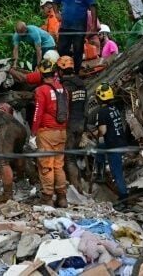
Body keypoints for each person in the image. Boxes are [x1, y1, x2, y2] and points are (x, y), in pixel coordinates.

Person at [30, 59, 68, 207]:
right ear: (55, 73)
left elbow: (38, 113)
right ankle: (62, 198)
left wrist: (33, 132)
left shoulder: (41, 90)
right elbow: (67, 112)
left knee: (46, 165)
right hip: (62, 132)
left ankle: (47, 198)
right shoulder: (63, 89)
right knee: (59, 165)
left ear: (41, 74)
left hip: (46, 132)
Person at [53, 0, 97, 74]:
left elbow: (93, 7)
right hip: (65, 26)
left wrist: (93, 25)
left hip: (79, 27)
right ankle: (64, 70)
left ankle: (76, 71)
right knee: (62, 49)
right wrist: (57, 13)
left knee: (78, 50)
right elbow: (55, 2)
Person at [95, 83, 128, 204]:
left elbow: (103, 131)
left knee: (116, 172)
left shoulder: (102, 111)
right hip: (120, 141)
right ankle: (100, 170)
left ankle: (124, 197)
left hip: (113, 145)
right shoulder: (114, 108)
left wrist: (97, 132)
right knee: (100, 146)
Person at [56, 56, 86, 192]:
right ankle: (78, 186)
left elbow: (63, 110)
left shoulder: (65, 87)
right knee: (73, 157)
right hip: (80, 124)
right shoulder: (81, 84)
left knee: (69, 159)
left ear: (61, 70)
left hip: (70, 125)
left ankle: (76, 189)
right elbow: (85, 107)